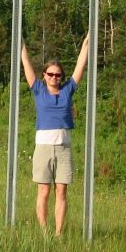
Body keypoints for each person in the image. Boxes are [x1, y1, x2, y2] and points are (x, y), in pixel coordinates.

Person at [21, 36, 89, 236]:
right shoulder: (38, 89)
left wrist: (86, 41)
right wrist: (21, 42)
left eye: (58, 75)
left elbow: (80, 65)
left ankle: (58, 234)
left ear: (62, 77)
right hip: (42, 149)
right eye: (50, 74)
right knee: (43, 192)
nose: (54, 77)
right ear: (44, 75)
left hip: (64, 150)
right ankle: (44, 232)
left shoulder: (68, 90)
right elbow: (26, 63)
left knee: (61, 193)